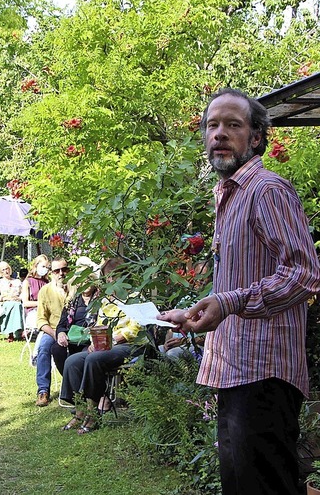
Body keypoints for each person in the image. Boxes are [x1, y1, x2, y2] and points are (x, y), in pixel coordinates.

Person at [159, 88, 320, 495]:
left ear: (257, 137)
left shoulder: (266, 190)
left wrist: (228, 303)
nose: (220, 134)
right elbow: (234, 287)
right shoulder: (229, 195)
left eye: (233, 125)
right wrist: (196, 316)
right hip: (235, 367)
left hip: (265, 374)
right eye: (213, 126)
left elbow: (303, 274)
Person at [59, 297, 141, 434]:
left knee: (93, 359)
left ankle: (93, 414)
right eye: (107, 275)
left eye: (112, 275)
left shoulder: (135, 297)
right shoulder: (105, 300)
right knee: (72, 362)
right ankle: (80, 411)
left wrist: (110, 341)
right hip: (105, 345)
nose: (110, 279)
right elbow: (99, 325)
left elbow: (136, 328)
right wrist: (95, 342)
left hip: (130, 345)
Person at [34, 257, 73, 407]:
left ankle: (74, 384)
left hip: (74, 330)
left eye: (65, 270)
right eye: (57, 271)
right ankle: (43, 390)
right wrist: (56, 334)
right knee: (43, 348)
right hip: (53, 330)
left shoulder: (76, 287)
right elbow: (41, 320)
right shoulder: (45, 291)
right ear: (51, 273)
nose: (61, 273)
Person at [21, 255, 50, 334]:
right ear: (36, 265)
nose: (45, 269)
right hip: (33, 310)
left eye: (47, 267)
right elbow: (25, 303)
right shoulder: (27, 281)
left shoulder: (47, 282)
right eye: (43, 266)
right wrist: (40, 303)